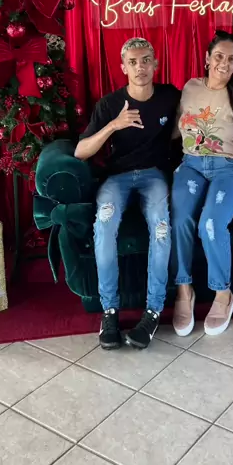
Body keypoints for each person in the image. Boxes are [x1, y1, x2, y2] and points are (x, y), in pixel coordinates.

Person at [75, 38, 180, 350]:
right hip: (117, 178)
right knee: (105, 224)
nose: (140, 67)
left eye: (146, 60)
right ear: (123, 68)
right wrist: (114, 125)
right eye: (132, 62)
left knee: (161, 226)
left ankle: (153, 311)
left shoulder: (170, 96)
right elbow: (81, 151)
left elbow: (187, 123)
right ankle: (109, 311)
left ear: (155, 64)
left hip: (153, 176)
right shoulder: (109, 104)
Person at [171, 31, 233, 337]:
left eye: (231, 59)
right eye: (219, 56)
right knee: (179, 219)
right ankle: (184, 290)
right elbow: (176, 129)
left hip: (230, 169)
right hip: (191, 165)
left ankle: (223, 293)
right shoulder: (191, 87)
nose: (224, 63)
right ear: (207, 58)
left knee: (210, 224)